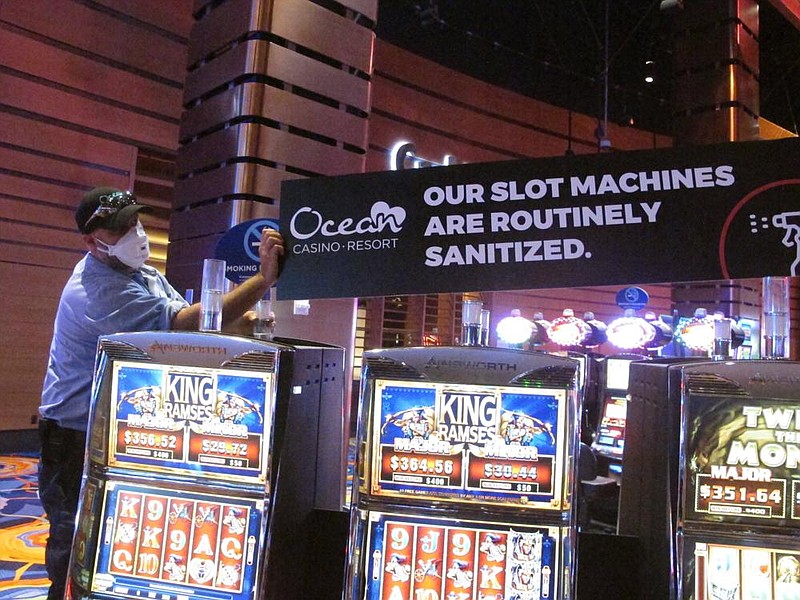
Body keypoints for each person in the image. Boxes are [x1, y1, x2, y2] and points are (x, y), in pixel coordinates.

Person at [37, 186, 284, 600]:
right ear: (91, 240)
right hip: (73, 433)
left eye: (134, 221)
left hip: (118, 424)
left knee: (119, 530)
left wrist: (252, 323)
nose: (135, 232)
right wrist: (262, 281)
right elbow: (184, 325)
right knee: (76, 535)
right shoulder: (96, 289)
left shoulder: (144, 275)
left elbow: (202, 326)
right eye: (120, 228)